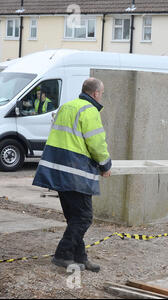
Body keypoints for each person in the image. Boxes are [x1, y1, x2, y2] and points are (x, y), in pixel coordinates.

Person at [32, 77, 112, 272]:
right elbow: (96, 142)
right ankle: (63, 254)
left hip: (58, 171)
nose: (101, 97)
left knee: (74, 217)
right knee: (84, 217)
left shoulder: (66, 107)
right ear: (95, 94)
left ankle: (80, 256)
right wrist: (105, 164)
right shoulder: (89, 110)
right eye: (101, 93)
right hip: (76, 173)